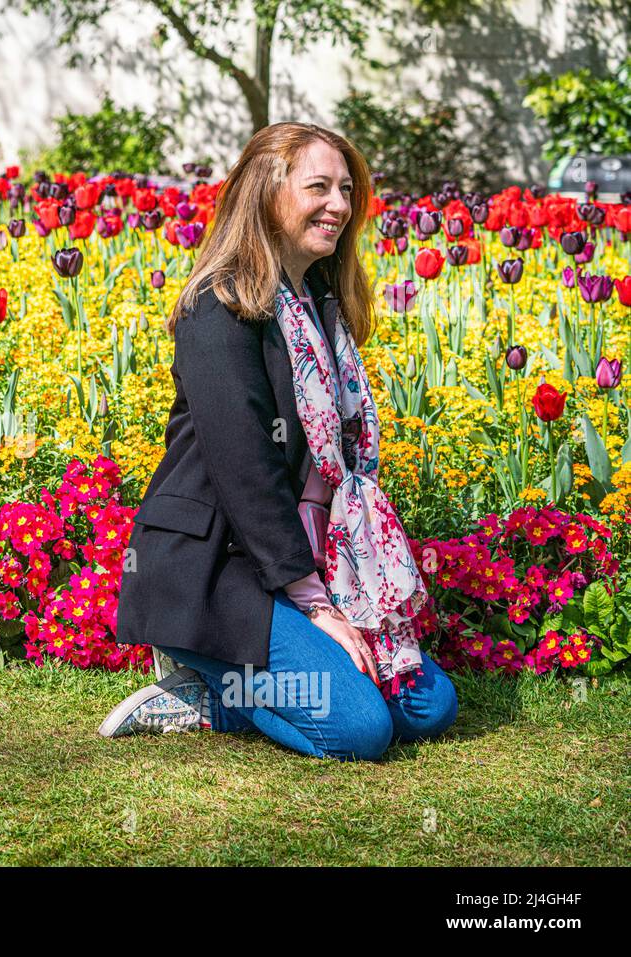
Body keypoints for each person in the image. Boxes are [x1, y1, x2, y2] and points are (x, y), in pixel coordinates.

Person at [100, 122, 457, 761]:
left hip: (313, 555)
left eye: (346, 189)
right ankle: (210, 691)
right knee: (360, 729)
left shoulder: (320, 303)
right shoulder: (220, 310)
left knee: (428, 707)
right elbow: (247, 472)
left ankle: (246, 684)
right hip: (215, 567)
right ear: (266, 193)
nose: (340, 206)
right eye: (318, 187)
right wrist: (317, 608)